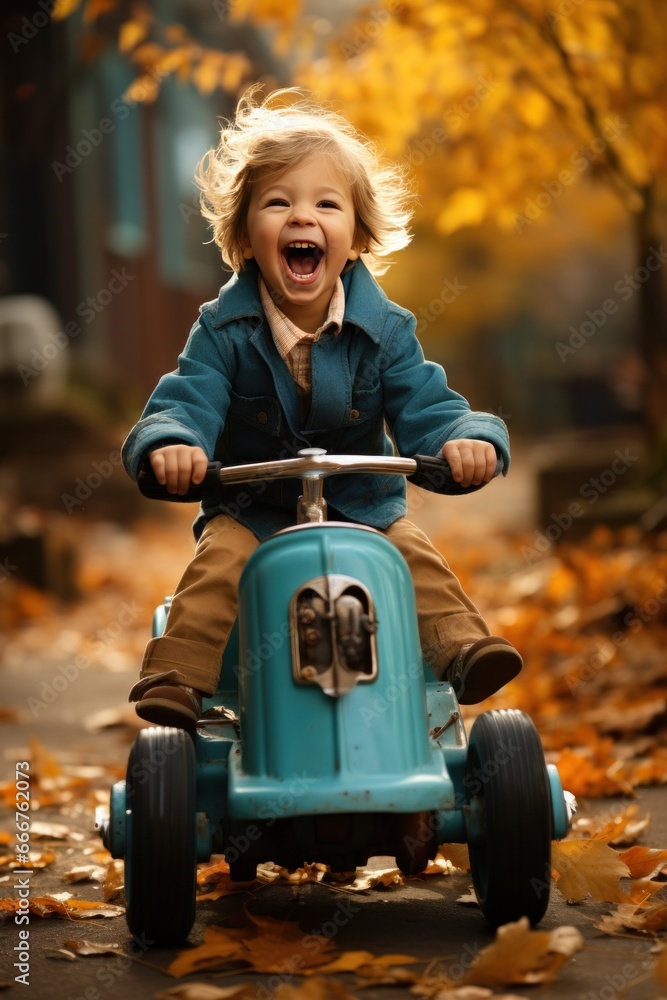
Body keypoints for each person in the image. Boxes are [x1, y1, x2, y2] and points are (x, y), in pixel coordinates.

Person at [122, 88, 522, 731]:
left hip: (363, 506)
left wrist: (464, 439)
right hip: (255, 511)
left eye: (326, 204)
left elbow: (428, 403)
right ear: (245, 236)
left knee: (408, 552)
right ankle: (179, 677)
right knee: (217, 562)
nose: (301, 216)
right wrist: (172, 443)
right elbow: (186, 397)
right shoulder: (222, 332)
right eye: (277, 202)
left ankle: (460, 648)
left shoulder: (386, 330)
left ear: (357, 237)